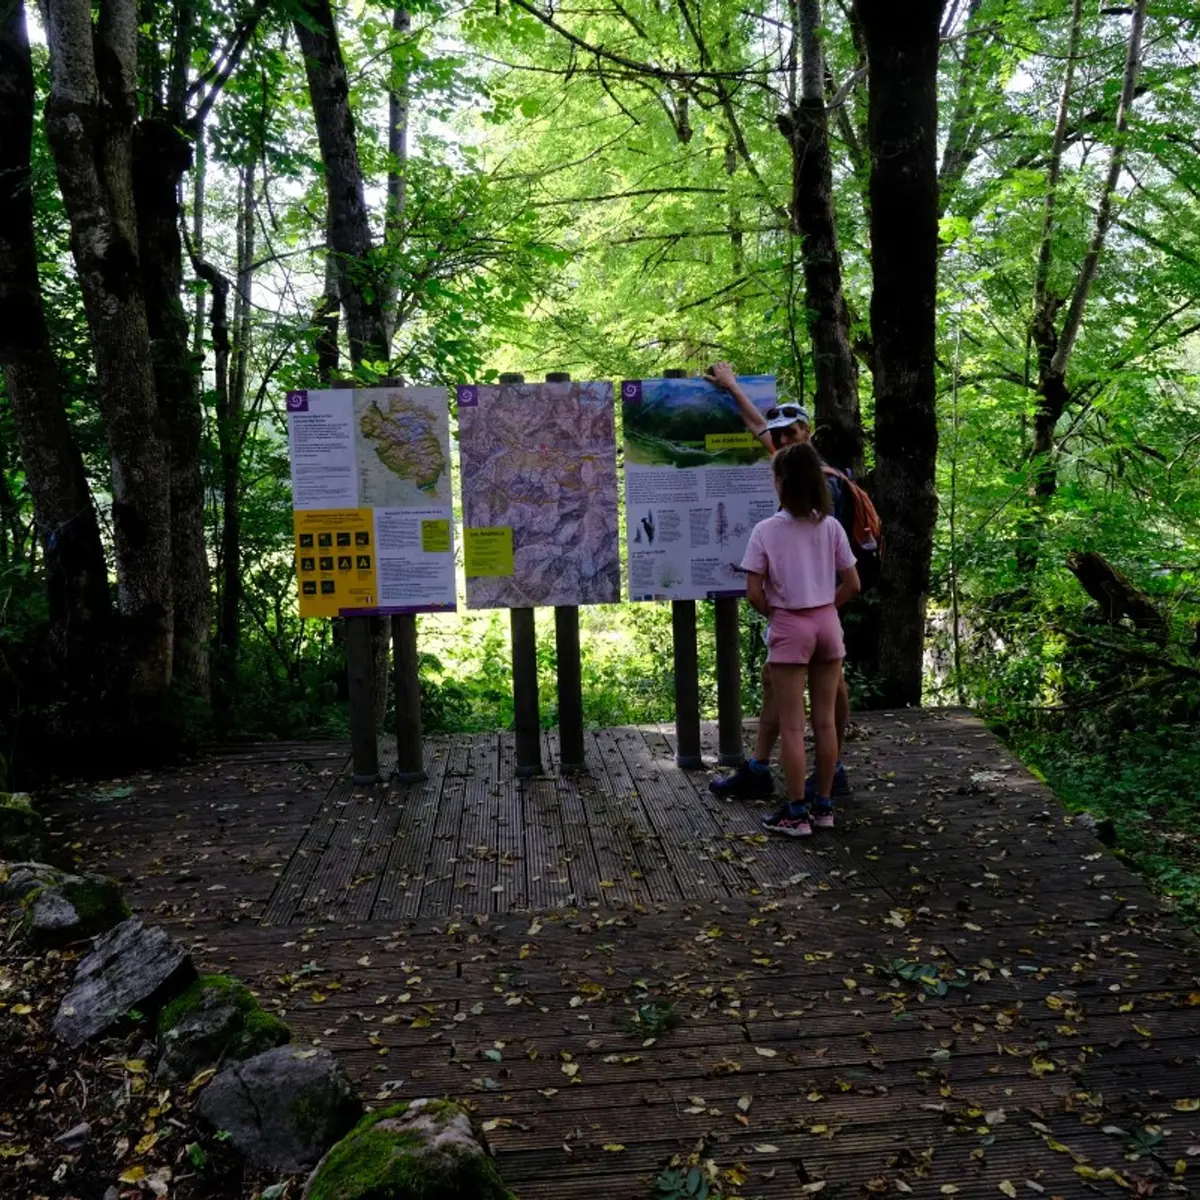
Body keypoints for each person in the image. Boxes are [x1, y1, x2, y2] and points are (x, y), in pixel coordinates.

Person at [704, 362, 853, 801]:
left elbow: (839, 568)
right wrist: (731, 387)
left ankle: (826, 774)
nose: (783, 438)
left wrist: (803, 610)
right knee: (779, 681)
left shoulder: (827, 487)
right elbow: (758, 426)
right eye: (781, 433)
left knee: (827, 693)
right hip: (811, 612)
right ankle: (762, 768)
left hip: (816, 610)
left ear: (809, 432)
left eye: (793, 431)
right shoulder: (795, 472)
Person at [741, 443, 860, 835]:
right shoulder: (830, 526)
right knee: (825, 723)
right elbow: (852, 583)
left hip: (790, 625)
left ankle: (795, 813)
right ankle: (824, 808)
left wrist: (777, 613)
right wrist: (825, 607)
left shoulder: (766, 531)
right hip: (827, 622)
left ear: (781, 483)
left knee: (792, 726)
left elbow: (754, 591)